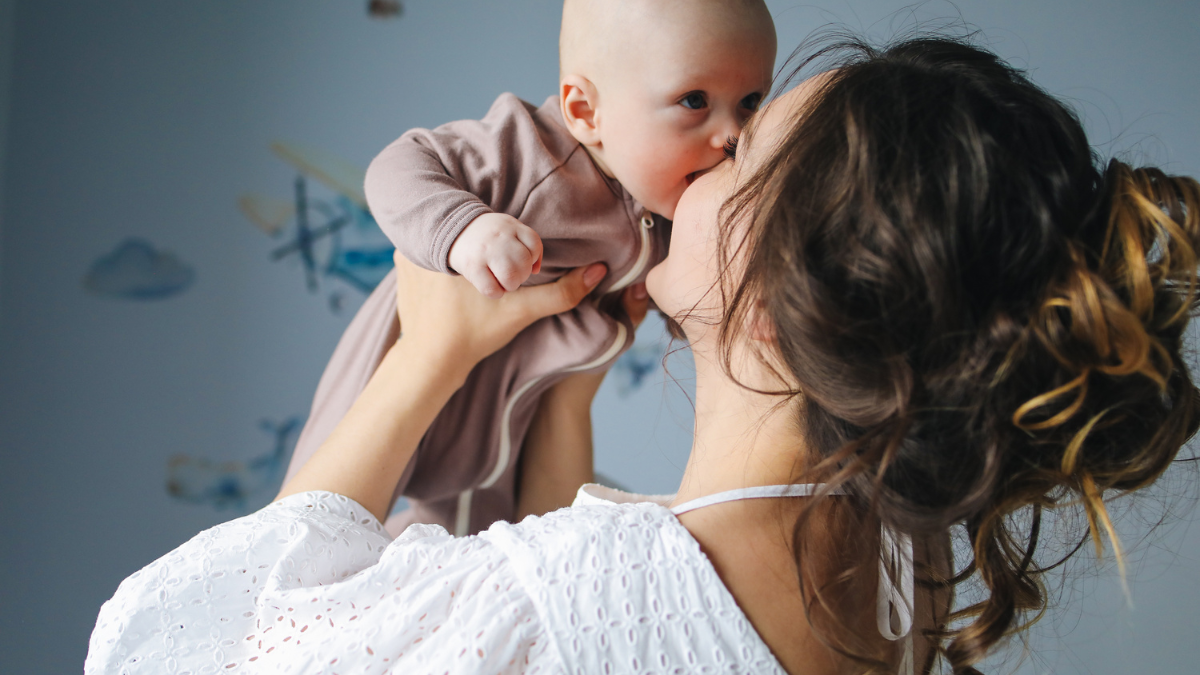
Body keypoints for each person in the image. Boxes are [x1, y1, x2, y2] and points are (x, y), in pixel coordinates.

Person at [86, 35, 1200, 674]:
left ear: (770, 308)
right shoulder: (897, 567)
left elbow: (189, 648)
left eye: (742, 144)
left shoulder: (568, 604)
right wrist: (568, 393)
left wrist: (422, 360)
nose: (698, 158)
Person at [281, 0, 777, 537]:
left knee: (474, 538)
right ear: (586, 112)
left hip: (510, 417)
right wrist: (464, 227)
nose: (732, 135)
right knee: (317, 527)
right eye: (694, 100)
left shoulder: (670, 209)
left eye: (750, 103)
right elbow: (399, 165)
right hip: (404, 364)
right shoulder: (532, 152)